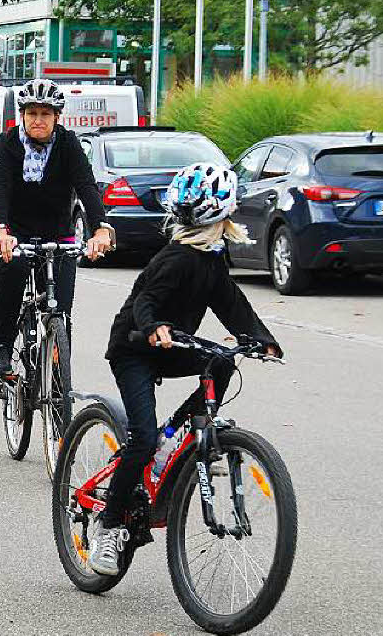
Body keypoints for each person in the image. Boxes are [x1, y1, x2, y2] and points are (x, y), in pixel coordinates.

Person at [88, 163, 282, 576]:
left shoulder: (212, 259)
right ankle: (108, 527)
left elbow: (230, 303)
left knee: (223, 361)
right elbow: (145, 300)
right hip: (135, 348)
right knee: (141, 439)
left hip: (173, 344)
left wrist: (260, 338)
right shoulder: (174, 258)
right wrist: (152, 326)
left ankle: (193, 428)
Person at [0, 78, 113, 376]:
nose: (38, 120)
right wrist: (0, 229)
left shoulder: (68, 144)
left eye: (45, 114)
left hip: (57, 234)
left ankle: (56, 358)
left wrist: (101, 228)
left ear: (57, 117)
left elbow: (86, 187)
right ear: (23, 116)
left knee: (60, 307)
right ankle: (2, 346)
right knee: (13, 268)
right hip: (10, 232)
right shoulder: (7, 143)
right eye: (32, 113)